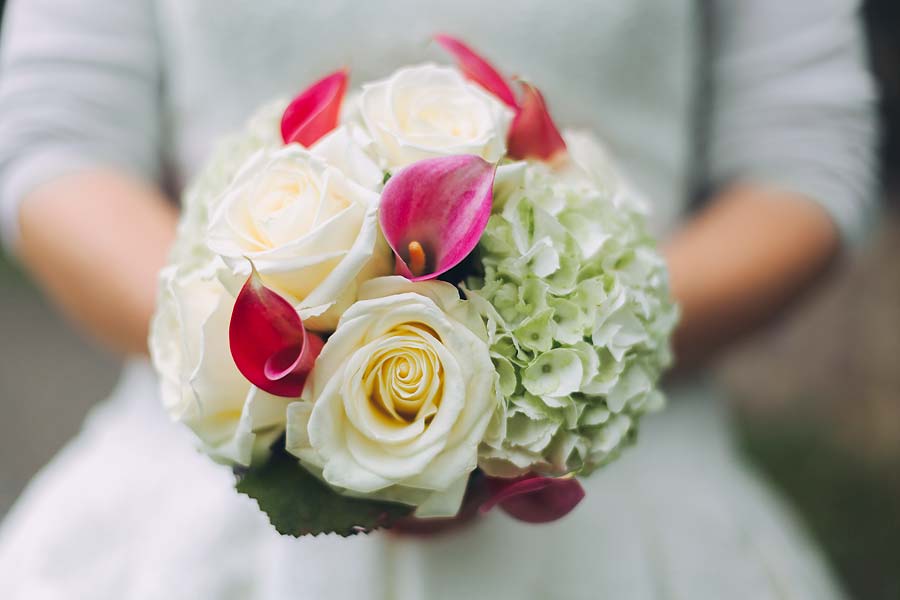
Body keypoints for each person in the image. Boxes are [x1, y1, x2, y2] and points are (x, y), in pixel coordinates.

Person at [0, 0, 876, 598]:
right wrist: (285, 380)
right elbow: (57, 144)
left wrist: (540, 389)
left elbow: (800, 160)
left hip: (625, 496)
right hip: (208, 499)